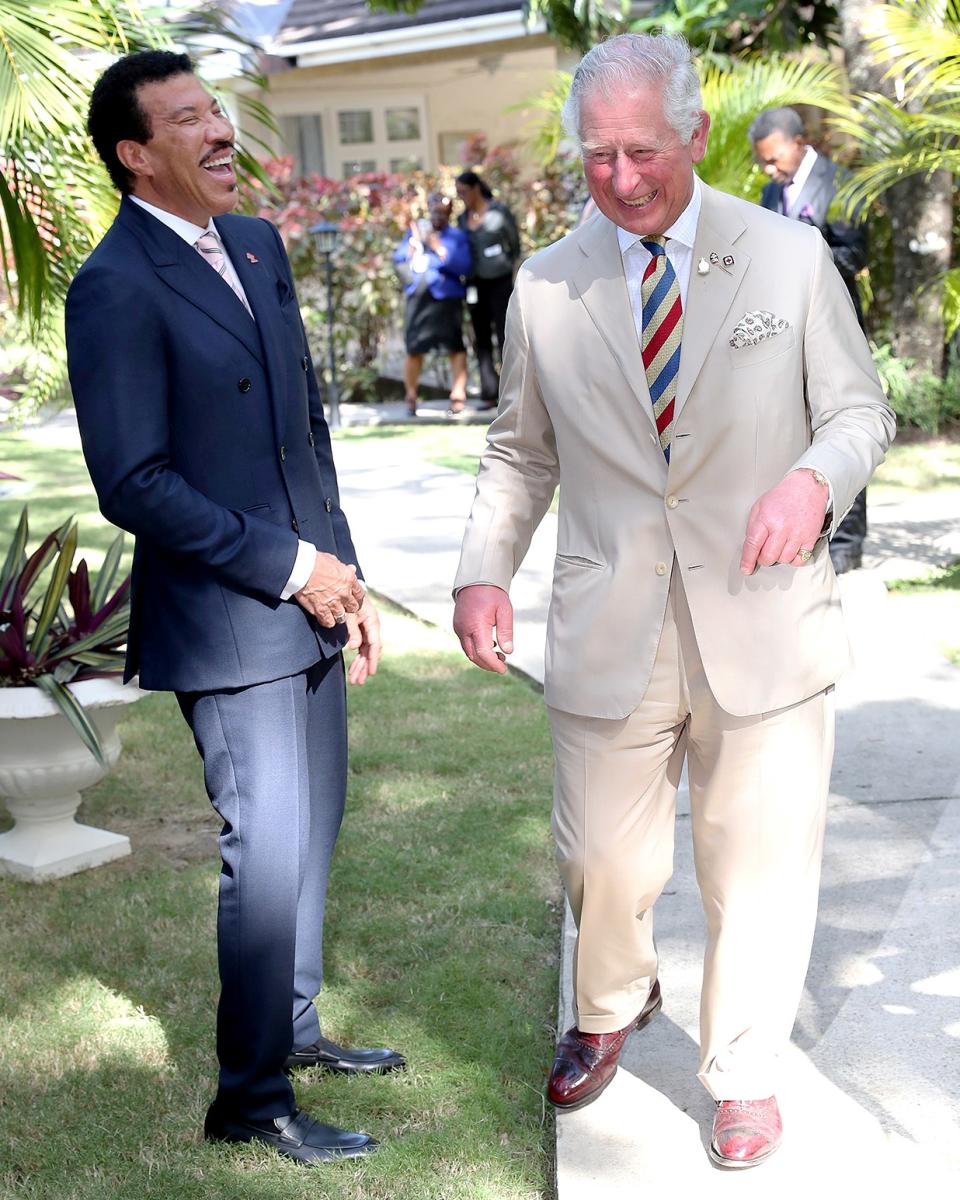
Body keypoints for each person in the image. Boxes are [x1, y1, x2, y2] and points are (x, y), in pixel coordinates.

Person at [452, 33, 894, 1169]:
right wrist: (481, 572)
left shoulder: (790, 262)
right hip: (612, 623)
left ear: (697, 135)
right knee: (602, 857)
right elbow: (518, 454)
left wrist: (813, 479)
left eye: (643, 149)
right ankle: (610, 1003)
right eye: (596, 155)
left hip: (764, 614)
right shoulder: (547, 285)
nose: (623, 177)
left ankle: (744, 1070)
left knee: (758, 863)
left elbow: (859, 413)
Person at [66, 50, 405, 1167]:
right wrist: (290, 567)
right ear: (134, 155)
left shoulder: (256, 242)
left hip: (311, 598)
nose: (219, 130)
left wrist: (342, 577)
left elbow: (303, 428)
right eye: (187, 120)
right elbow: (136, 483)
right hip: (227, 621)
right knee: (266, 849)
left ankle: (294, 1030)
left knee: (317, 827)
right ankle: (250, 1099)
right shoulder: (112, 285)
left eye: (215, 109)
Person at [749, 106, 870, 574]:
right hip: (783, 329)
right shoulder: (767, 192)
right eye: (763, 162)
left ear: (798, 143)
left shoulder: (840, 183)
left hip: (835, 324)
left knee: (843, 425)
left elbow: (855, 251)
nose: (769, 170)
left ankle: (847, 546)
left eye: (774, 158)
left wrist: (800, 251)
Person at [394, 193, 472, 416]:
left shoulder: (456, 237)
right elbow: (399, 261)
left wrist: (438, 248)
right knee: (414, 349)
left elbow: (464, 266)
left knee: (455, 348)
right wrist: (415, 244)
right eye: (434, 211)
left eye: (442, 212)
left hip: (447, 298)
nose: (437, 216)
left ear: (449, 214)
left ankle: (458, 396)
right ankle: (410, 397)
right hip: (419, 298)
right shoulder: (415, 233)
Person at [455, 171, 521, 409]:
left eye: (464, 192)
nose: (461, 197)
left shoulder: (498, 213)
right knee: (481, 339)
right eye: (458, 193)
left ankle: (513, 393)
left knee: (506, 336)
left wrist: (515, 274)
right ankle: (489, 393)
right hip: (474, 284)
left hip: (500, 281)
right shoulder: (463, 219)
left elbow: (514, 246)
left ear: (475, 188)